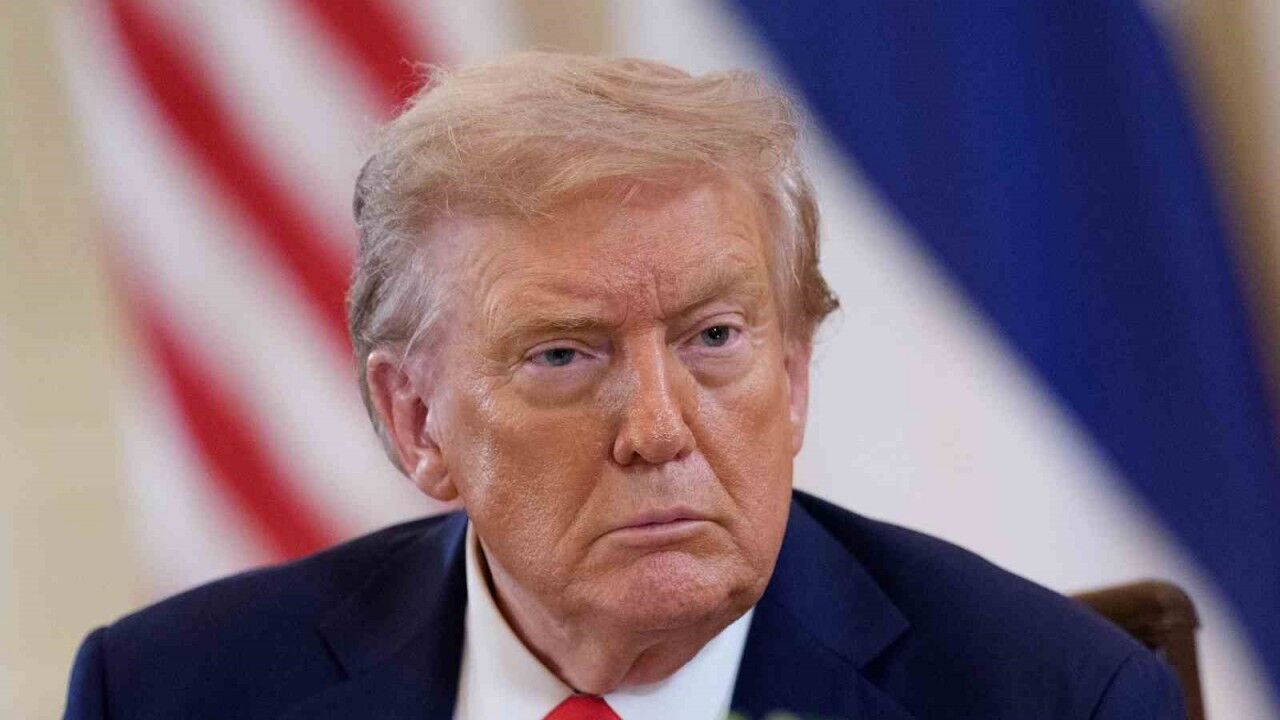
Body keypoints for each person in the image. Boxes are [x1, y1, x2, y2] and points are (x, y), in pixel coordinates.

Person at [64, 53, 1185, 720]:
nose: (658, 429)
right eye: (563, 355)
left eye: (713, 338)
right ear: (416, 421)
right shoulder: (171, 693)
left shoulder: (1051, 700)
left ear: (793, 377)